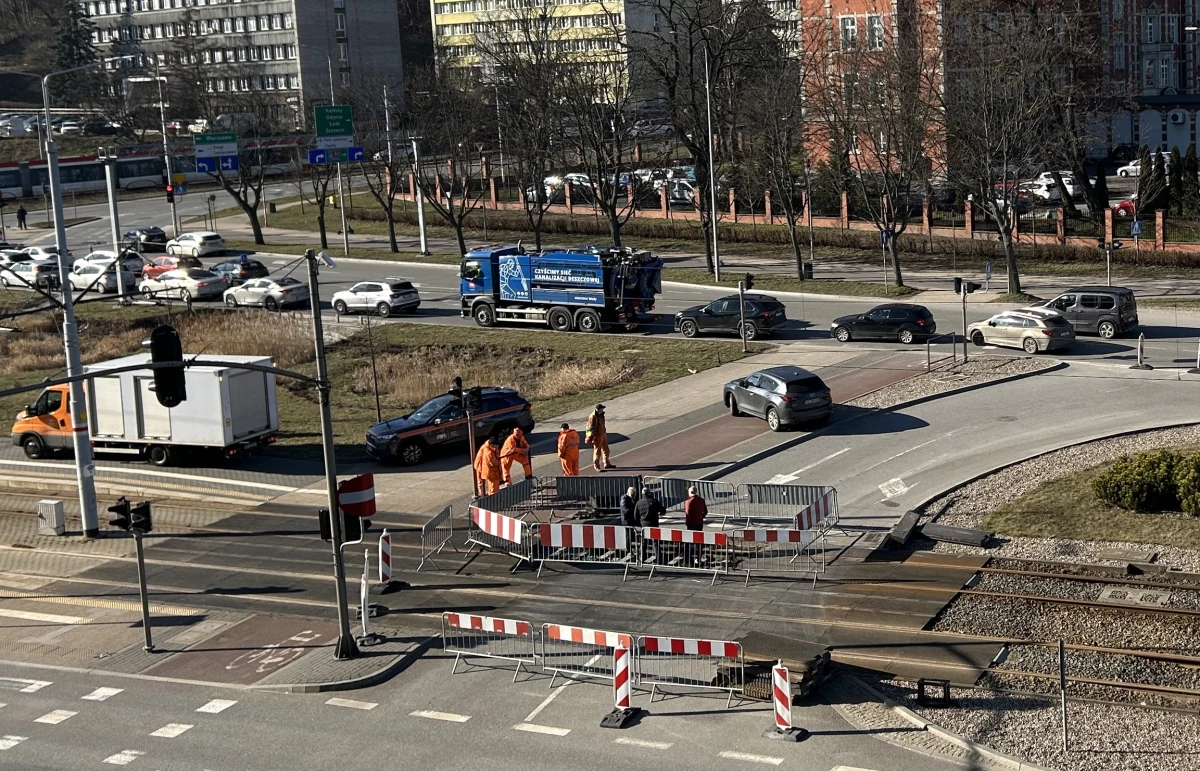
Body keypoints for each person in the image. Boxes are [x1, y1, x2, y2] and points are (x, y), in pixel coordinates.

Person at [633, 487, 665, 562]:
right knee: (655, 542)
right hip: (654, 524)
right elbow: (663, 510)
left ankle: (642, 558)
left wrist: (640, 522)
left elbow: (635, 515)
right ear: (649, 493)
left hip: (644, 525)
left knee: (643, 542)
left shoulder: (639, 503)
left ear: (642, 494)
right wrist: (660, 513)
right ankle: (659, 558)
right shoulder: (654, 501)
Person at [683, 486, 709, 565]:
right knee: (699, 541)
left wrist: (687, 523)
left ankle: (687, 560)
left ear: (690, 492)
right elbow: (705, 511)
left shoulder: (689, 502)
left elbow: (688, 514)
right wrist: (701, 517)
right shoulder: (701, 500)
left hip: (691, 524)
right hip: (699, 523)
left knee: (688, 542)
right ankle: (699, 558)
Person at [586, 403, 614, 472]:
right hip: (597, 436)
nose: (603, 410)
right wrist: (594, 436)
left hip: (603, 434)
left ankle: (606, 463)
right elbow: (591, 428)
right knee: (597, 451)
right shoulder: (593, 417)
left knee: (606, 449)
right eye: (602, 408)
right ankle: (596, 466)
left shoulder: (600, 415)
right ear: (599, 409)